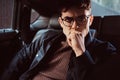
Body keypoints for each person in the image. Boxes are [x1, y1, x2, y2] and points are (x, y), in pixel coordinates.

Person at [1, 0, 117, 80]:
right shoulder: (46, 38)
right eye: (68, 19)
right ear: (61, 22)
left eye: (81, 18)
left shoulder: (105, 50)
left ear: (90, 20)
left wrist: (81, 52)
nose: (74, 26)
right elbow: (16, 64)